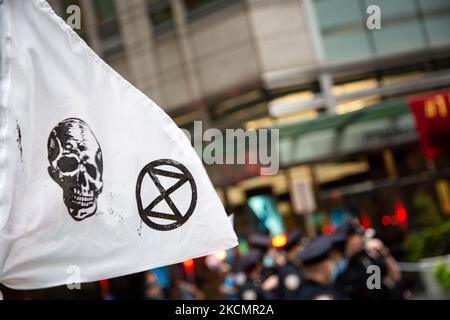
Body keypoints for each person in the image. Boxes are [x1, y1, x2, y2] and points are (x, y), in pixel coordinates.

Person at [332, 219, 403, 300]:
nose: (361, 239)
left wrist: (384, 252)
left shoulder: (366, 258)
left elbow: (396, 277)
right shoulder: (340, 268)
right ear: (350, 240)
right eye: (358, 236)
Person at [295, 235, 347, 300]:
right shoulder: (321, 296)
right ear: (325, 265)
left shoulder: (306, 290)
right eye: (332, 262)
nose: (334, 266)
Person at [275, 230, 305, 299]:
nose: (302, 249)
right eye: (300, 246)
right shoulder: (288, 272)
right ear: (295, 248)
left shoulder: (297, 266)